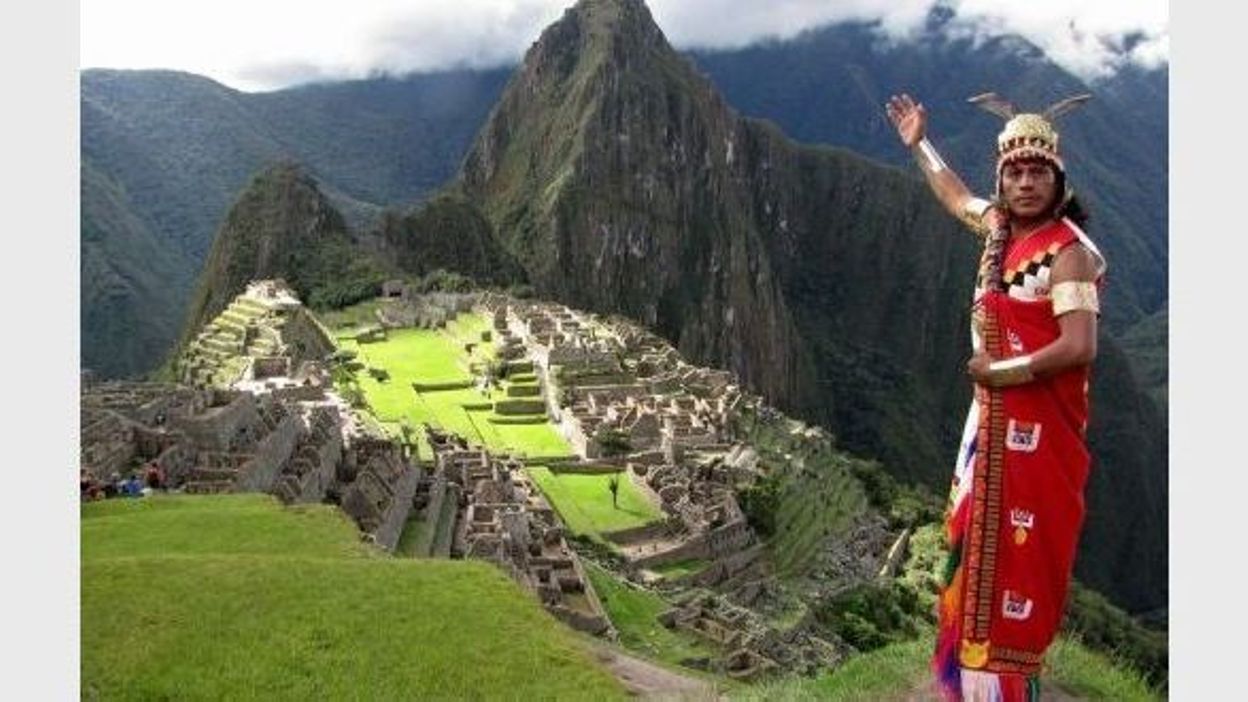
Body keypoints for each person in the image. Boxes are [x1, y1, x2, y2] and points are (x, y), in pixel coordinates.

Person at [885, 92, 1105, 702]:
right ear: (1002, 178)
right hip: (988, 420)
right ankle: (968, 675)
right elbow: (953, 194)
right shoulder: (997, 230)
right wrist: (919, 144)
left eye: (1038, 171)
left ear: (1058, 179)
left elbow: (1078, 345)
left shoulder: (1068, 256)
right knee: (974, 535)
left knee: (1022, 554)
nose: (1026, 182)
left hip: (1034, 426)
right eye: (1015, 171)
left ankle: (1005, 680)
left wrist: (1001, 372)